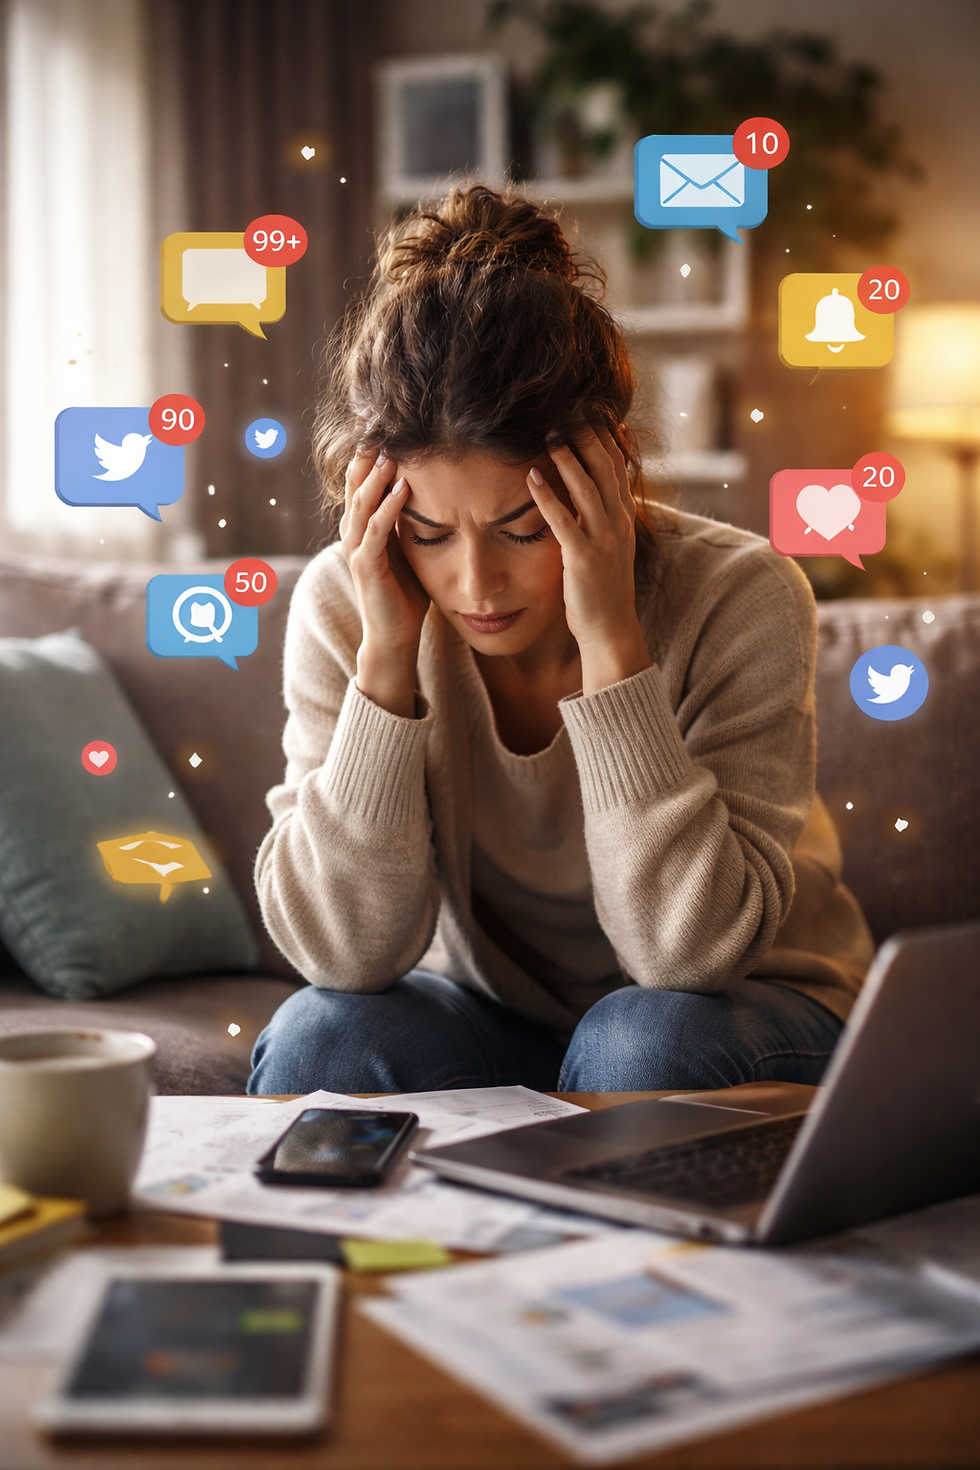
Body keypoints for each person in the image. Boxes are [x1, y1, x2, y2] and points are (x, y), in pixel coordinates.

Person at [248, 184, 873, 1098]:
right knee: (321, 1041)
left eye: (524, 529)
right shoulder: (347, 602)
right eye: (430, 534)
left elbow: (688, 955)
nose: (476, 584)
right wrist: (385, 664)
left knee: (640, 1044)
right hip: (496, 1014)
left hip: (738, 1007)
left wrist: (613, 640)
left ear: (606, 471)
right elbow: (343, 957)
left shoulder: (742, 595)